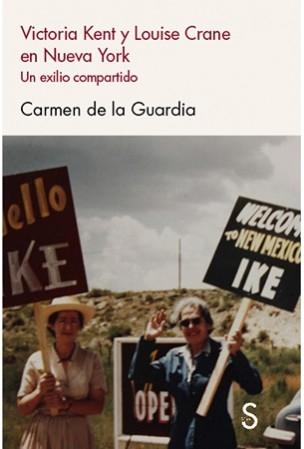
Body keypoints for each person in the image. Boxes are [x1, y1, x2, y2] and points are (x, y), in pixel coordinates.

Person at [129, 296, 262, 449]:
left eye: (196, 321)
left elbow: (254, 386)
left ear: (208, 324)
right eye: (185, 323)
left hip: (217, 441)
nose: (191, 326)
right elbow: (138, 375)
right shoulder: (173, 358)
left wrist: (237, 354)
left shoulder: (223, 354)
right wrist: (148, 340)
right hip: (182, 440)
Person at [17, 296, 107, 449]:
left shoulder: (91, 360)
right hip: (43, 436)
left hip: (76, 435)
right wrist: (40, 391)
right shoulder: (36, 360)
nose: (68, 326)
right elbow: (23, 408)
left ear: (80, 326)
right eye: (62, 320)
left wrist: (65, 405)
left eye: (74, 321)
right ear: (52, 325)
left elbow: (98, 406)